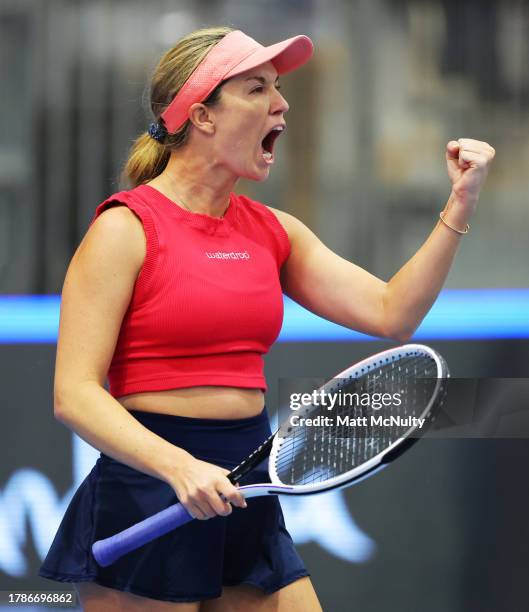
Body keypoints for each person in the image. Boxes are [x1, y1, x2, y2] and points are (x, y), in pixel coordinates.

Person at [38, 25, 495, 612]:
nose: (281, 104)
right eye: (257, 89)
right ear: (201, 115)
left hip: (246, 484)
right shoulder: (124, 229)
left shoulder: (272, 230)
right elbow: (73, 394)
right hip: (153, 487)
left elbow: (392, 313)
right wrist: (180, 467)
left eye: (277, 88)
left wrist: (459, 205)